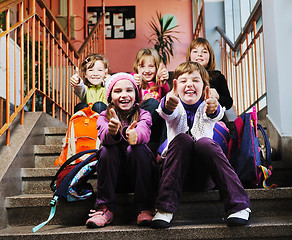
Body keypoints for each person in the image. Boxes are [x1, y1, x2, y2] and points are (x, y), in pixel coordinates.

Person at [150, 61, 251, 229]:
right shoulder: (175, 105)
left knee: (205, 143)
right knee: (182, 139)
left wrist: (213, 108)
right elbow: (168, 111)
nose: (189, 84)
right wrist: (167, 104)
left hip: (205, 177)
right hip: (176, 175)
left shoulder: (207, 105)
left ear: (205, 86)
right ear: (175, 86)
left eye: (195, 80)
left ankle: (240, 205)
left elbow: (215, 113)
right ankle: (164, 207)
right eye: (183, 81)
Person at [86, 72, 158, 228]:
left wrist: (135, 135)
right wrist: (113, 132)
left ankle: (144, 206)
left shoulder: (144, 114)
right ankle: (105, 207)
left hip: (140, 175)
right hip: (115, 178)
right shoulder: (104, 116)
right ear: (110, 97)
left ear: (136, 95)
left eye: (129, 90)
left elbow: (145, 131)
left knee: (137, 150)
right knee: (107, 150)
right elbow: (104, 135)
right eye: (118, 91)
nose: (124, 95)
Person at [132, 48, 170, 154]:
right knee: (153, 103)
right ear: (137, 67)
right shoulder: (133, 79)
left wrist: (163, 84)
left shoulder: (159, 83)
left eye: (151, 66)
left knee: (167, 112)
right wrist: (136, 85)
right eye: (142, 66)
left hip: (155, 124)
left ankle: (163, 150)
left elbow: (167, 99)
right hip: (138, 120)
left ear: (157, 67)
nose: (147, 70)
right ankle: (140, 137)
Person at [186, 37, 233, 110]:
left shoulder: (217, 76)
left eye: (204, 52)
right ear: (189, 55)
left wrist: (218, 97)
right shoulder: (184, 75)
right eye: (195, 51)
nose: (200, 54)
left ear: (210, 56)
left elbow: (229, 103)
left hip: (213, 117)